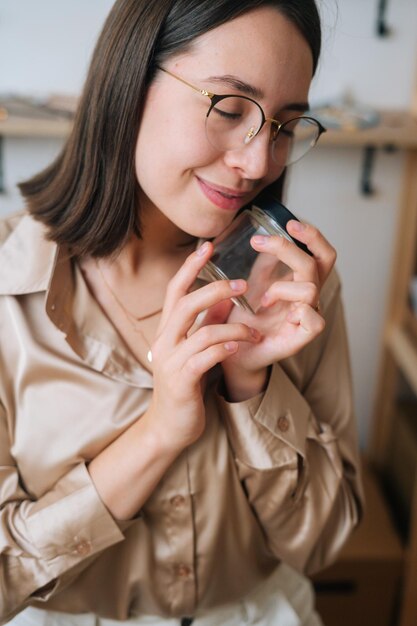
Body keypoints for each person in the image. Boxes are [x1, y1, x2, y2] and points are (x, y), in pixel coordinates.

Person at [0, 1, 364, 624]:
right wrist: (159, 431)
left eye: (284, 125)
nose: (258, 164)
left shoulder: (292, 288)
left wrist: (253, 385)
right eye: (228, 108)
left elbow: (321, 544)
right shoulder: (10, 291)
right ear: (130, 84)